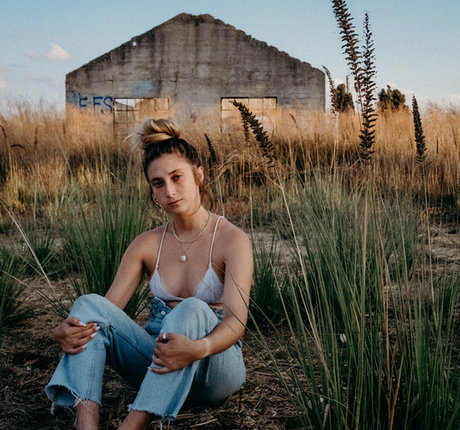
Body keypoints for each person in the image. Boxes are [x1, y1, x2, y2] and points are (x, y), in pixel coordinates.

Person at [46, 118, 253, 430]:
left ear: (199, 174)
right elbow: (105, 314)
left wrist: (198, 348)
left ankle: (133, 425)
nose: (170, 191)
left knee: (192, 308)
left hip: (213, 366)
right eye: (158, 183)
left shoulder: (232, 240)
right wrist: (65, 330)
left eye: (177, 177)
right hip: (157, 361)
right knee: (88, 304)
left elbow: (236, 321)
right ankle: (86, 425)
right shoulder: (146, 244)